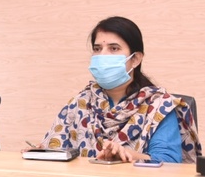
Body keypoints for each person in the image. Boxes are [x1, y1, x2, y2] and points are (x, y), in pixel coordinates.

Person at [41, 16, 200, 163]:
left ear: (135, 59)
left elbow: (169, 163)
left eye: (114, 48)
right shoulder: (80, 103)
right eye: (97, 49)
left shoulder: (159, 106)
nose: (103, 55)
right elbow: (56, 151)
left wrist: (127, 155)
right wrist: (40, 153)